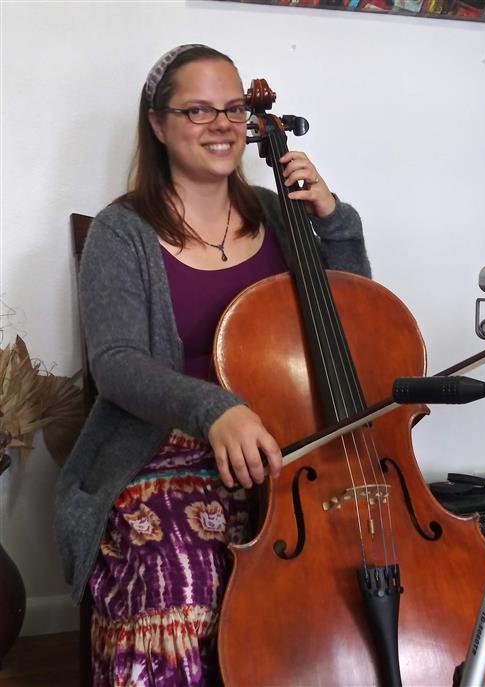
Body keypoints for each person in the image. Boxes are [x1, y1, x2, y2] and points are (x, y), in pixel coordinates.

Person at [55, 44, 371, 687]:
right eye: (198, 109)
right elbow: (116, 363)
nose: (222, 124)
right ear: (158, 124)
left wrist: (337, 223)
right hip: (162, 447)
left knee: (357, 562)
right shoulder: (123, 232)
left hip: (293, 444)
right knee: (186, 568)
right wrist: (215, 410)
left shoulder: (281, 214)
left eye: (232, 108)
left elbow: (354, 332)